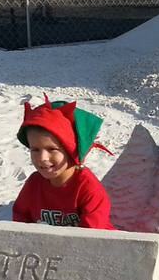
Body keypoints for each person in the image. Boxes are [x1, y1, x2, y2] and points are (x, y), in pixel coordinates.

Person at [13, 96, 114, 229]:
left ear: (71, 150)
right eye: (35, 149)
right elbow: (20, 217)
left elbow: (92, 239)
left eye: (52, 149)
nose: (42, 157)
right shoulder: (34, 183)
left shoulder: (88, 189)